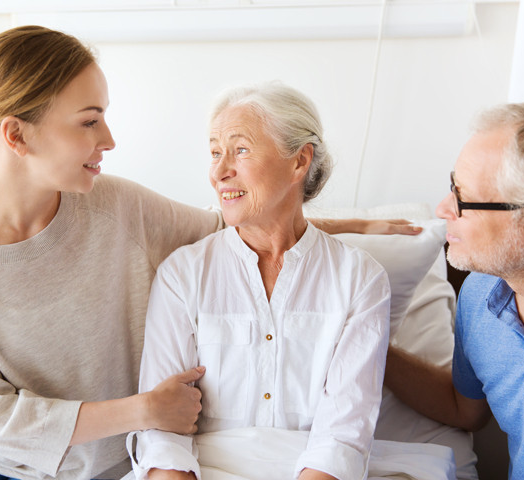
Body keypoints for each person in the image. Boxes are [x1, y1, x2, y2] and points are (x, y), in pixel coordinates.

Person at [0, 26, 418, 480]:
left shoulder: (114, 205)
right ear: (16, 135)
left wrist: (357, 224)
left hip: (110, 463)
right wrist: (145, 410)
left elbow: (242, 224)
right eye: (90, 121)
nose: (109, 139)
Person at [133, 83, 391, 480]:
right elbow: (162, 434)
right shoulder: (182, 274)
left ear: (299, 161)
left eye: (240, 150)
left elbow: (342, 436)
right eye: (215, 153)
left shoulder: (360, 278)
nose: (220, 173)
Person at [383, 99, 524, 480]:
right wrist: (368, 344)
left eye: (463, 198)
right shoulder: (481, 296)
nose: (443, 208)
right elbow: (465, 410)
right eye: (453, 186)